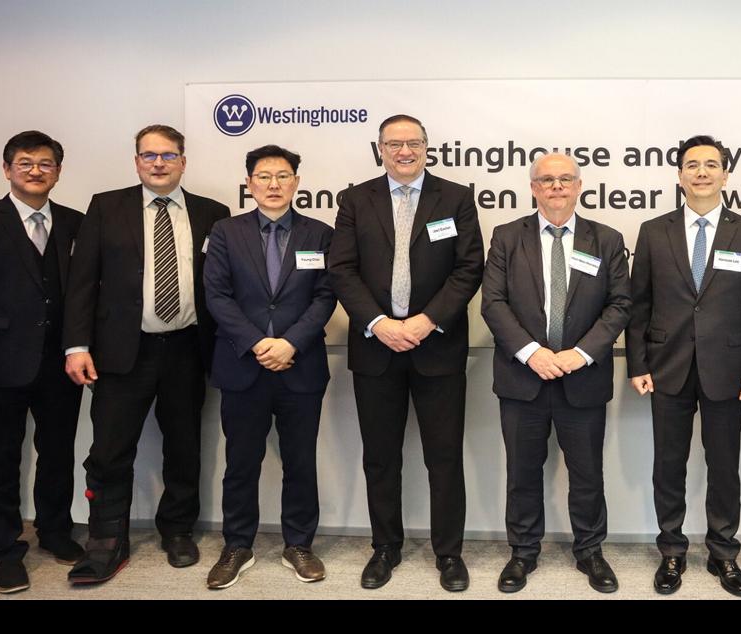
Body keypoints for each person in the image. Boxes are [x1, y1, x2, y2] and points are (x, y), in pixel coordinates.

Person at [63, 124, 228, 585]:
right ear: (136, 161)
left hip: (187, 349)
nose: (159, 163)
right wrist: (76, 346)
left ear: (183, 162)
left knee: (184, 445)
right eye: (149, 155)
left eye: (168, 155)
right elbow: (81, 282)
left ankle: (177, 530)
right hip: (121, 352)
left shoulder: (212, 213)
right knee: (109, 451)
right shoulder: (106, 207)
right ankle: (105, 540)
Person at [327, 113, 484, 592]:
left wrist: (425, 320)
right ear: (380, 149)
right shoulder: (356, 199)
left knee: (444, 458)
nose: (404, 151)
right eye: (394, 144)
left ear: (426, 147)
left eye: (413, 142)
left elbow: (468, 267)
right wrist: (379, 324)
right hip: (376, 349)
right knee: (380, 457)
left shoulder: (454, 198)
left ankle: (449, 553)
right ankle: (385, 548)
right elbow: (341, 268)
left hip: (437, 347)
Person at [625, 135, 741, 596]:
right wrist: (637, 363)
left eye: (711, 164)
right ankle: (671, 550)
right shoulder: (654, 230)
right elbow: (639, 305)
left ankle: (723, 553)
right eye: (693, 165)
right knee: (668, 465)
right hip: (666, 367)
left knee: (724, 465)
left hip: (728, 370)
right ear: (679, 175)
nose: (702, 172)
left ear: (726, 174)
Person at [481, 153, 631, 593]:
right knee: (522, 473)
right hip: (523, 378)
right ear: (533, 188)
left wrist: (581, 354)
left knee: (587, 475)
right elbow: (493, 303)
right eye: (547, 180)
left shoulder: (606, 239)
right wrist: (532, 353)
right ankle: (523, 552)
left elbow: (620, 304)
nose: (557, 187)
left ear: (579, 186)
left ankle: (590, 551)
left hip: (582, 378)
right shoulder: (508, 237)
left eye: (565, 179)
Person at [199, 144, 337, 589]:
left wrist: (290, 342)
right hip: (244, 364)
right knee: (241, 462)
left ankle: (299, 545)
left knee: (300, 461)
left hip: (301, 365)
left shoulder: (321, 234)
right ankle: (237, 545)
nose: (273, 184)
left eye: (282, 176)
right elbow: (217, 295)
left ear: (296, 183)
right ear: (249, 184)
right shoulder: (226, 232)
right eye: (264, 176)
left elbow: (325, 296)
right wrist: (259, 343)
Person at [0, 131, 83, 593]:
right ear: (7, 169)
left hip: (61, 362)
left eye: (45, 163)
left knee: (58, 453)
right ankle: (3, 549)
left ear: (58, 171)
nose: (35, 171)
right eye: (25, 163)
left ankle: (55, 530)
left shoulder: (77, 223)